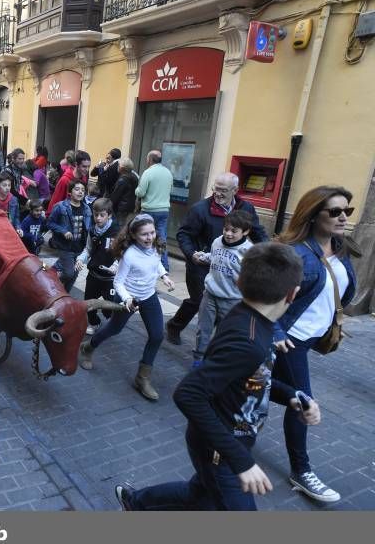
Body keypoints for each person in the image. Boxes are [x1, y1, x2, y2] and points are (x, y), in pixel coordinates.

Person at [116, 243, 321, 511]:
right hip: (220, 450)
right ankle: (136, 502)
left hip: (229, 443)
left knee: (199, 495)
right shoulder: (247, 339)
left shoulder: (258, 323)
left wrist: (293, 395)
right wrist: (241, 460)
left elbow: (253, 378)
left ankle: (135, 501)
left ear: (238, 282)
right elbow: (188, 394)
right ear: (293, 294)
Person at [271, 186, 357, 503]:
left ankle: (241, 394)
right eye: (334, 211)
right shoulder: (296, 254)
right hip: (289, 340)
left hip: (309, 339)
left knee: (265, 385)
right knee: (303, 400)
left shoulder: (342, 247)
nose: (343, 217)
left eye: (347, 210)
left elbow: (342, 292)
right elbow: (268, 301)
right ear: (313, 214)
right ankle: (302, 471)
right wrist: (278, 333)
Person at [78, 214, 175, 400]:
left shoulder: (155, 247)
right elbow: (118, 282)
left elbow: (156, 264)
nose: (149, 237)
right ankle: (88, 347)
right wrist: (127, 299)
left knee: (156, 336)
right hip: (129, 299)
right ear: (134, 235)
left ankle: (142, 378)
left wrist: (164, 276)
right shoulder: (129, 255)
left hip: (149, 297)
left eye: (152, 232)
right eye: (144, 234)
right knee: (114, 329)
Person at [167, 173, 268, 345]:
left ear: (235, 190)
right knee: (199, 300)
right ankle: (175, 326)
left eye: (223, 190)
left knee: (219, 305)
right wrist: (192, 254)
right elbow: (184, 234)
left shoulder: (247, 208)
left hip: (229, 266)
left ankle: (211, 342)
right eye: (216, 189)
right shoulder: (200, 209)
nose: (218, 194)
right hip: (201, 264)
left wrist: (270, 253)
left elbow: (257, 232)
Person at [193, 210, 254, 366]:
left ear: (245, 231)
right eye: (226, 229)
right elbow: (214, 257)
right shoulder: (217, 242)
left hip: (232, 300)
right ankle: (198, 360)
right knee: (203, 330)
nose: (228, 234)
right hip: (210, 295)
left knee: (224, 334)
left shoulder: (249, 252)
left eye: (234, 231)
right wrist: (202, 256)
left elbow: (253, 277)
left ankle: (215, 362)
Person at [76, 198, 121, 338]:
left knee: (109, 306)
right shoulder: (92, 231)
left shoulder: (117, 232)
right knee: (89, 303)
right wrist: (80, 259)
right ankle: (94, 323)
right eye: (96, 215)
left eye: (102, 215)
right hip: (94, 275)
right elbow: (88, 249)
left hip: (110, 278)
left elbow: (122, 253)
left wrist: (116, 265)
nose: (98, 218)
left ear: (109, 215)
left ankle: (110, 324)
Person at [48, 180, 91, 293]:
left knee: (74, 274)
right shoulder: (60, 207)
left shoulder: (86, 209)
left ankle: (65, 294)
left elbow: (88, 227)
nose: (80, 192)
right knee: (69, 273)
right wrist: (63, 231)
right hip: (65, 247)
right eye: (77, 189)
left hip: (80, 248)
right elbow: (50, 223)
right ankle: (52, 279)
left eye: (83, 190)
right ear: (70, 192)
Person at [135, 150, 173, 271]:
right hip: (164, 210)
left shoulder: (148, 172)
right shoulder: (168, 173)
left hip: (149, 209)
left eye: (147, 159)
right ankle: (164, 265)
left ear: (150, 160)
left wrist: (136, 190)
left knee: (143, 235)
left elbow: (140, 192)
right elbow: (170, 190)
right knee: (161, 237)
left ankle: (142, 262)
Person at [46, 150, 90, 215]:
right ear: (76, 164)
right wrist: (48, 217)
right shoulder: (65, 180)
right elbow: (55, 201)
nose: (87, 169)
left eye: (88, 166)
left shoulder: (84, 177)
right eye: (84, 166)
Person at [109, 158, 138, 228]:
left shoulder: (123, 179)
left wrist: (109, 205)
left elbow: (115, 196)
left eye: (118, 165)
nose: (117, 167)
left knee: (119, 227)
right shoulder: (134, 177)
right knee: (126, 227)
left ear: (122, 168)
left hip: (121, 208)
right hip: (130, 207)